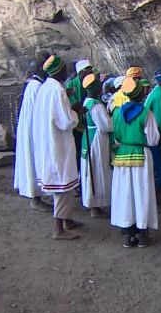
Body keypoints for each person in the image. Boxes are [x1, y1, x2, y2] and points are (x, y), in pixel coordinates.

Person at [32, 55, 84, 240]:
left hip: (49, 143)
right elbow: (66, 121)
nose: (67, 73)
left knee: (63, 184)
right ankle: (58, 228)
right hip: (58, 144)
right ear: (59, 71)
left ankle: (67, 219)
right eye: (64, 70)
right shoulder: (57, 90)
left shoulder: (46, 88)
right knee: (62, 184)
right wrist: (76, 111)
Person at [111, 77, 160, 248]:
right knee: (142, 194)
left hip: (122, 156)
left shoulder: (116, 112)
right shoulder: (146, 113)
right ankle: (143, 235)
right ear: (140, 95)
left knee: (126, 195)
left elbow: (115, 136)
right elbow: (153, 140)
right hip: (141, 155)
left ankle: (128, 236)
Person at [13, 53, 52, 212]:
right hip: (33, 131)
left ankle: (38, 194)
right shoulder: (36, 87)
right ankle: (35, 198)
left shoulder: (33, 85)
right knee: (33, 162)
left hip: (30, 128)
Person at [80, 73, 113, 218]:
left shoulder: (86, 101)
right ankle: (95, 205)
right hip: (96, 141)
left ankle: (93, 203)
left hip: (89, 138)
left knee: (90, 170)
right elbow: (106, 125)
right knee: (97, 171)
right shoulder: (95, 105)